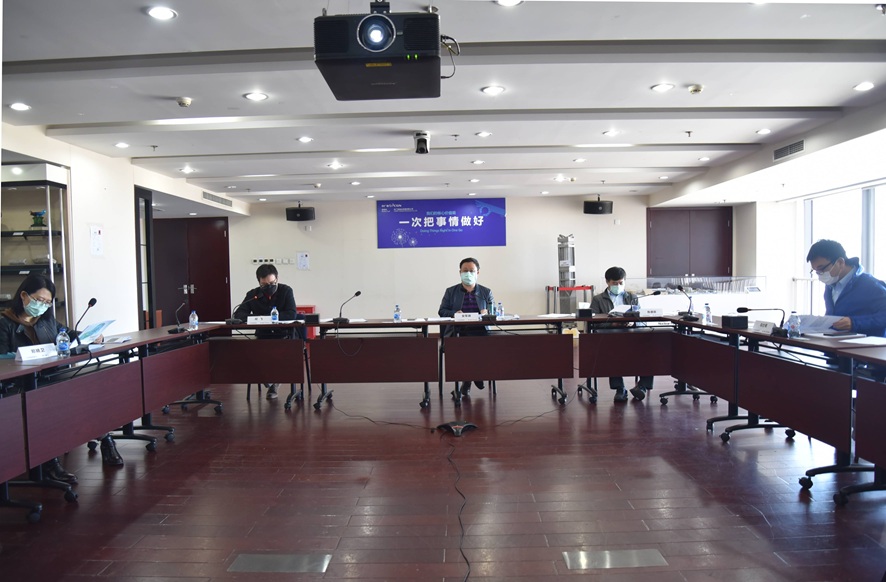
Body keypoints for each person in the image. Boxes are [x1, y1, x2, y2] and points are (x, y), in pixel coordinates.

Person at [0, 273, 124, 477]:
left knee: (87, 391)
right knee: (49, 403)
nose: (42, 306)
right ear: (24, 295)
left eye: (47, 302)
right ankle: (49, 462)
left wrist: (90, 336)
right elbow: (2, 360)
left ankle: (106, 440)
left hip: (50, 378)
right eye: (39, 300)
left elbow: (69, 334)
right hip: (21, 385)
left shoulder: (46, 321)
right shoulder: (5, 323)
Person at [588, 266, 655, 402]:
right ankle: (620, 389)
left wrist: (633, 322)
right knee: (612, 352)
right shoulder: (598, 299)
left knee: (650, 348)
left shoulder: (632, 297)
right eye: (615, 283)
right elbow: (592, 323)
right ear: (607, 282)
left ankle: (642, 386)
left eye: (621, 283)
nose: (618, 286)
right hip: (610, 335)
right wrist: (612, 324)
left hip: (632, 334)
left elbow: (640, 319)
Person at [232, 263, 298, 399]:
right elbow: (239, 314)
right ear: (259, 282)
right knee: (251, 353)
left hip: (284, 335)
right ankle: (267, 378)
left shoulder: (286, 291)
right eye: (264, 285)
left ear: (277, 279)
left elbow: (291, 314)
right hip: (262, 336)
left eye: (272, 283)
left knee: (277, 352)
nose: (269, 287)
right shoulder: (253, 294)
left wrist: (266, 318)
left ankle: (273, 381)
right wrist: (260, 319)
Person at [438, 257, 495, 397]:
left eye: (472, 271)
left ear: (478, 272)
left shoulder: (486, 292)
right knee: (464, 347)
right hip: (458, 332)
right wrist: (454, 313)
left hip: (481, 332)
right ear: (460, 272)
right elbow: (442, 311)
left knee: (479, 346)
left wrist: (487, 312)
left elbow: (494, 312)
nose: (468, 274)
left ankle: (469, 380)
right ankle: (475, 376)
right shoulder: (451, 291)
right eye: (465, 271)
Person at [806, 240, 886, 337]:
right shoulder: (830, 284)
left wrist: (854, 323)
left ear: (840, 262)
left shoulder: (871, 285)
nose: (820, 274)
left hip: (864, 345)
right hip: (835, 343)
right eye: (816, 271)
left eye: (822, 268)